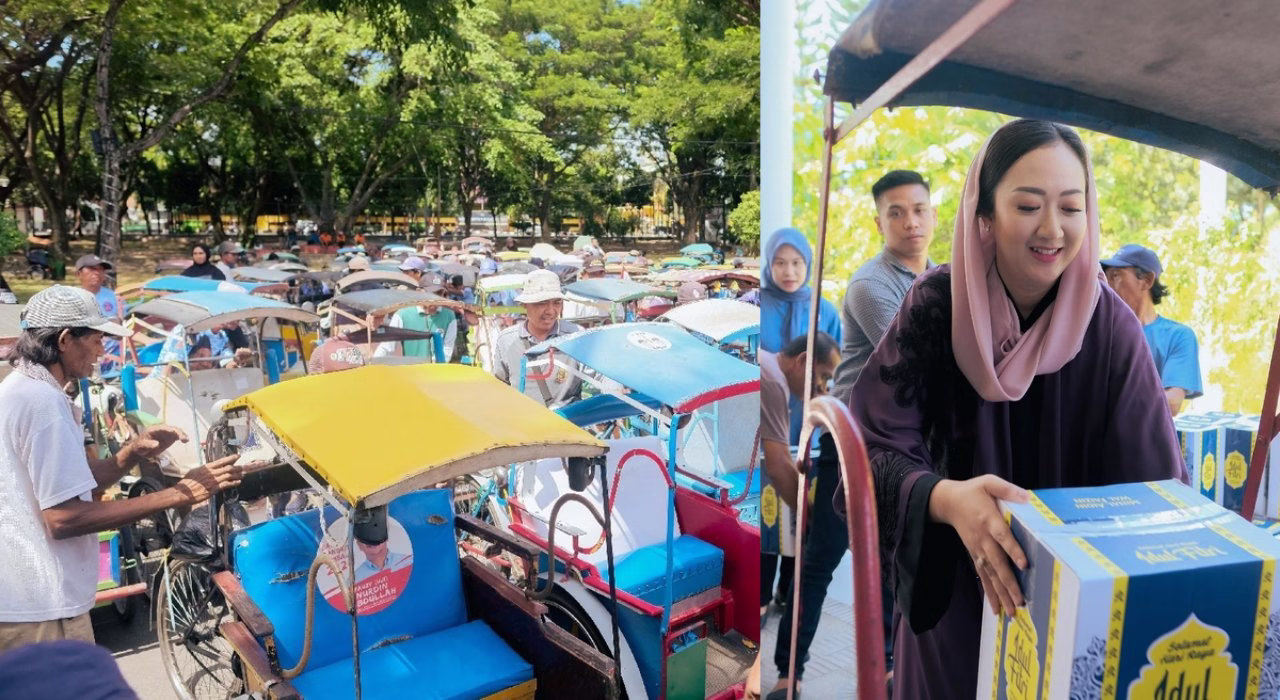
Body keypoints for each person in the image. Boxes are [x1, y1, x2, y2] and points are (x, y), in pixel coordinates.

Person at [851, 119, 1182, 699]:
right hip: (954, 609)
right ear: (985, 214)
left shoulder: (1110, 328)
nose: (1052, 229)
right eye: (1028, 205)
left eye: (1071, 208)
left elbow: (1156, 488)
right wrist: (945, 498)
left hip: (1073, 620)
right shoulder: (934, 307)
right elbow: (868, 449)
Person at [0, 285, 241, 651]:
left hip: (33, 603)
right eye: (97, 340)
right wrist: (178, 493)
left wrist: (128, 455)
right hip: (40, 610)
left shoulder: (28, 389)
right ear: (65, 339)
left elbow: (71, 485)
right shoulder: (41, 402)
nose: (102, 351)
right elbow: (64, 518)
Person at [760, 228, 843, 623]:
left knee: (801, 517)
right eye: (780, 262)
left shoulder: (824, 309)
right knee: (770, 510)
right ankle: (762, 592)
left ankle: (786, 593)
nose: (789, 270)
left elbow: (837, 371)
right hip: (772, 421)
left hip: (810, 427)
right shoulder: (758, 304)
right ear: (768, 263)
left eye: (797, 262)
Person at [832, 170, 937, 400]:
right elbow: (910, 361)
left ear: (934, 216)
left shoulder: (943, 277)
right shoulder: (869, 284)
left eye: (919, 210)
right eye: (896, 214)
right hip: (859, 422)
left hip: (912, 411)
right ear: (879, 224)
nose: (911, 223)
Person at [1102, 243, 1202, 415]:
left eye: (1115, 275)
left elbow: (1172, 402)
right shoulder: (1099, 332)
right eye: (1105, 276)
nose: (1106, 284)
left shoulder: (1177, 336)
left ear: (1147, 280)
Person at [492, 270, 583, 407]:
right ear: (524, 305)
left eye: (557, 303)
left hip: (567, 423)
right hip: (523, 423)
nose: (551, 311)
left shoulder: (576, 336)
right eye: (542, 303)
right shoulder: (507, 340)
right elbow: (500, 386)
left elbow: (599, 377)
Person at [74, 254, 125, 370]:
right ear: (78, 274)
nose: (97, 273)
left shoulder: (114, 297)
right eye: (92, 269)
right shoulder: (71, 299)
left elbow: (126, 326)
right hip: (82, 361)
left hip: (114, 360)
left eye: (101, 269)